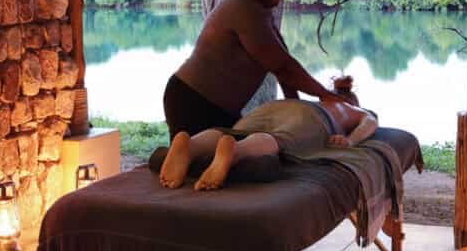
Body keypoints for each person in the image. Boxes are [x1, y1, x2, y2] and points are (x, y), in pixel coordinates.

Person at [162, 0, 346, 140]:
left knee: (235, 156)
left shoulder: (259, 8)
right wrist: (326, 95)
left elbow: (282, 63)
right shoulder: (245, 10)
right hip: (194, 102)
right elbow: (285, 68)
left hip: (214, 106)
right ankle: (161, 159)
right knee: (204, 161)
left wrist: (299, 112)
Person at [159, 76, 378, 191]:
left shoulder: (322, 99)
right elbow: (370, 123)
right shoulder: (351, 108)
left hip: (274, 106)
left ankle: (191, 147)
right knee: (280, 139)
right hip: (311, 118)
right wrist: (350, 140)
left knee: (235, 131)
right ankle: (236, 152)